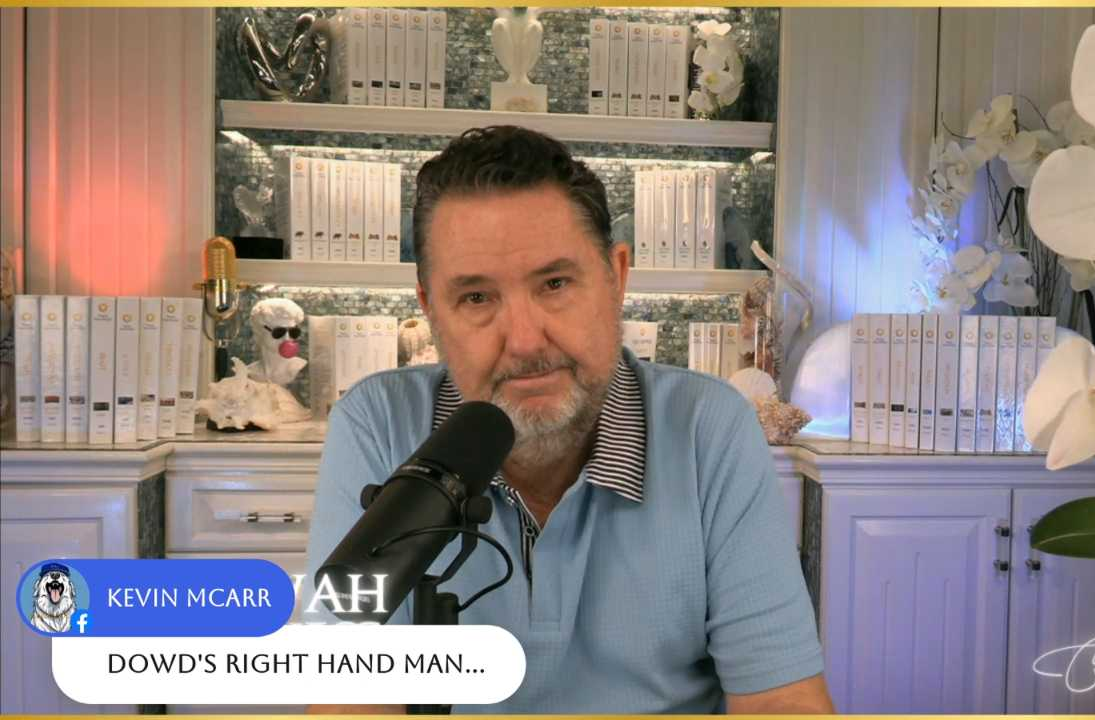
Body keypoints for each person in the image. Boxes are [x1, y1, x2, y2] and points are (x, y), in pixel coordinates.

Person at [304, 126, 831, 714]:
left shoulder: (709, 429)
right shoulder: (378, 423)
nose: (526, 342)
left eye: (555, 284)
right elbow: (346, 698)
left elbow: (783, 701)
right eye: (476, 298)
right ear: (430, 307)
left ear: (616, 278)